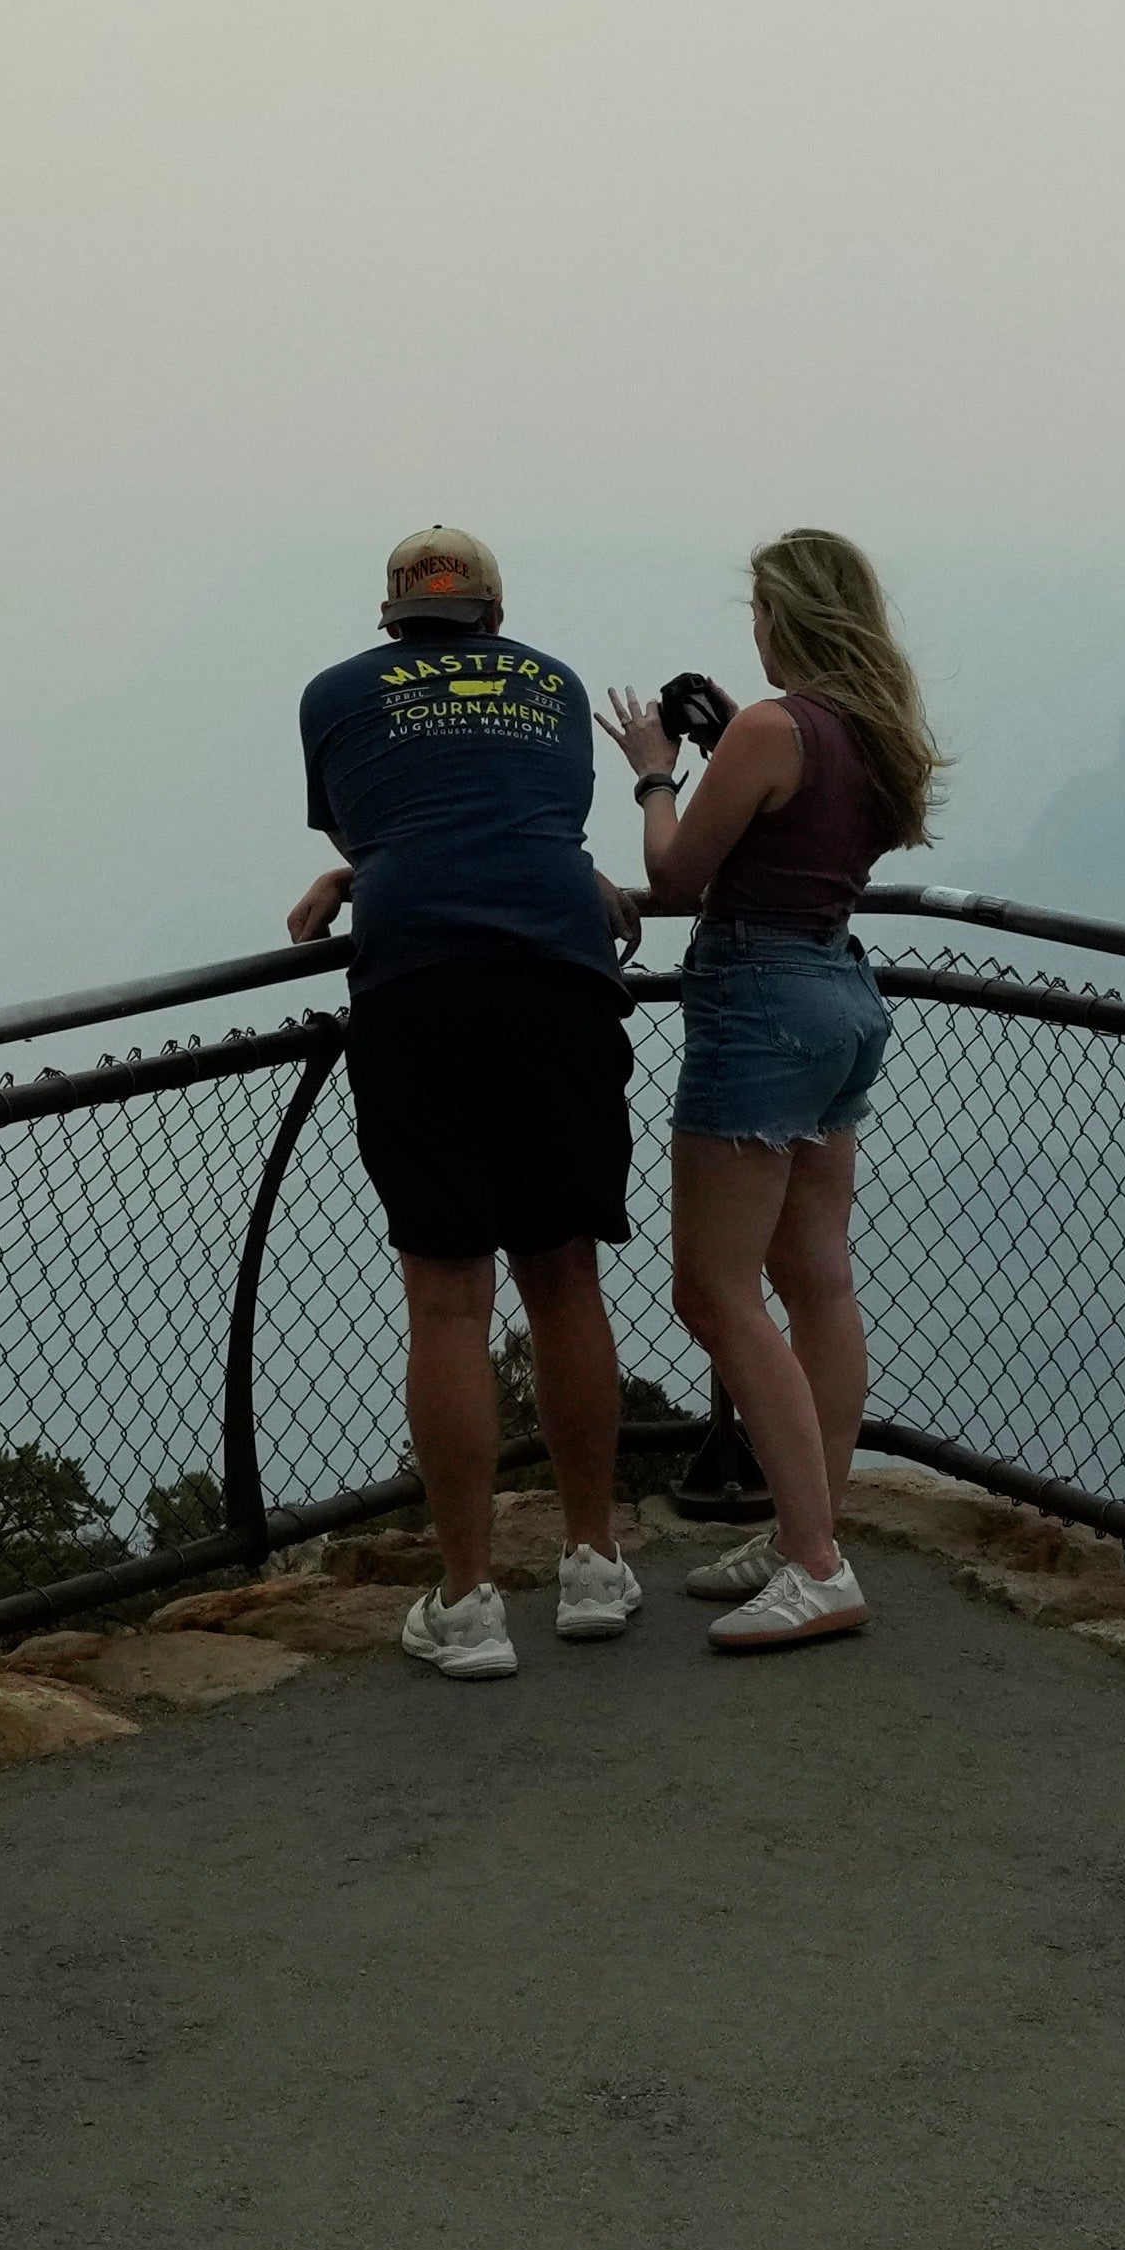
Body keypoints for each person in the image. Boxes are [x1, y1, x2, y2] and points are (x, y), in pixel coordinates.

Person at [287, 523, 649, 1681]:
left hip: (420, 982)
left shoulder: (337, 693)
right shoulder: (547, 684)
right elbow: (534, 822)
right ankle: (593, 1563)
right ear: (494, 612)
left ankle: (468, 1601)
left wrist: (359, 871)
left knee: (447, 1297)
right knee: (564, 1272)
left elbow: (373, 825)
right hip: (559, 972)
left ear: (393, 617)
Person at [630, 527, 940, 1656]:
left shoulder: (769, 728)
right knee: (815, 1280)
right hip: (840, 997)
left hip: (759, 1003)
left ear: (785, 618)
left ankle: (814, 1565)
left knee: (712, 1292)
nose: (751, 632)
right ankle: (811, 1530)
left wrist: (658, 768)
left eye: (759, 612)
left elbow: (673, 878)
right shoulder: (871, 730)